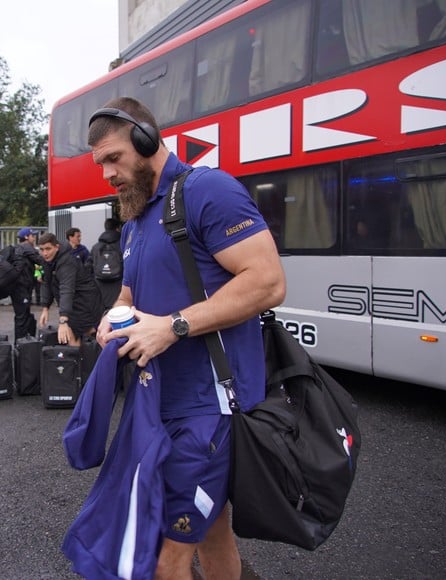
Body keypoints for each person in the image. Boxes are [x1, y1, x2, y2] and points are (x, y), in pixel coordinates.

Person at [88, 97, 286, 580]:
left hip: (207, 410)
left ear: (146, 139)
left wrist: (172, 326)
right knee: (212, 530)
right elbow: (133, 289)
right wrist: (115, 315)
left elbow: (267, 282)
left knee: (161, 556)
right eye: (101, 165)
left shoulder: (207, 190)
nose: (107, 174)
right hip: (158, 404)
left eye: (114, 158)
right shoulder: (134, 218)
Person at [37, 233, 102, 346]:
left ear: (56, 247)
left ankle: (85, 360)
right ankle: (80, 360)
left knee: (83, 337)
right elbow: (47, 283)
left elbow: (66, 289)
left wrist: (63, 320)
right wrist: (45, 307)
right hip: (73, 304)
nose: (45, 253)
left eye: (48, 249)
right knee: (75, 339)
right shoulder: (47, 261)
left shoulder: (66, 261)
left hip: (86, 302)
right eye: (42, 250)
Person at [11, 227, 44, 342]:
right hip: (22, 288)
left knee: (22, 315)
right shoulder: (26, 247)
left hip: (18, 287)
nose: (34, 238)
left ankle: (21, 344)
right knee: (22, 317)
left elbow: (35, 263)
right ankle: (21, 345)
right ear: (26, 237)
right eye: (32, 236)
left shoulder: (18, 248)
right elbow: (40, 260)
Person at [90, 217, 124, 313]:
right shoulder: (123, 245)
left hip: (100, 289)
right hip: (119, 290)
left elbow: (88, 268)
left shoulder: (95, 247)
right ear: (117, 228)